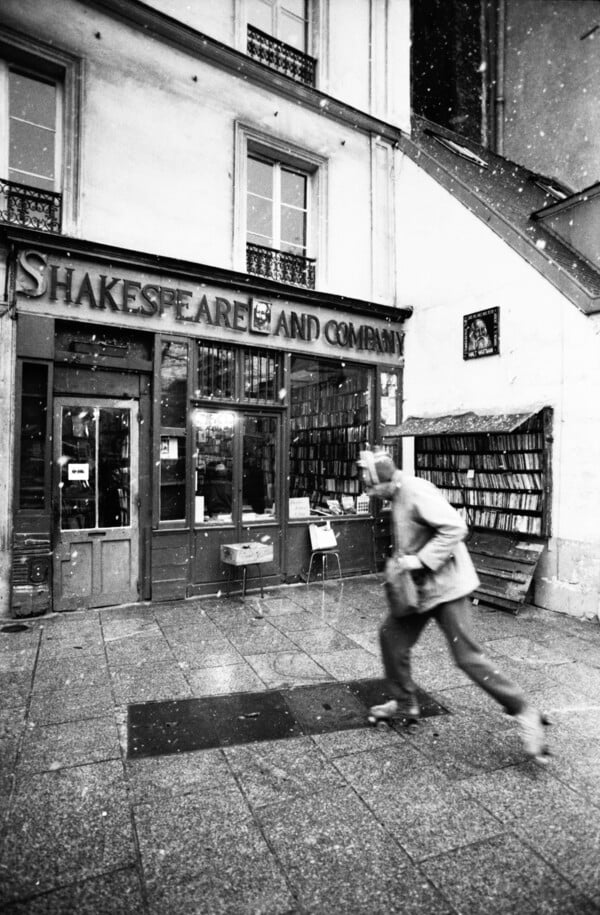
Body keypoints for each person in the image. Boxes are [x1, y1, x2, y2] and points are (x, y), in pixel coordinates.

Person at [361, 449, 550, 765]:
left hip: (447, 589)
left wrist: (419, 560)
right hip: (419, 590)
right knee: (390, 637)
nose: (368, 492)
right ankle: (405, 703)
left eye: (370, 486)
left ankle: (525, 711)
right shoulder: (397, 494)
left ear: (385, 480)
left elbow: (455, 528)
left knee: (467, 657)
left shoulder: (415, 489)